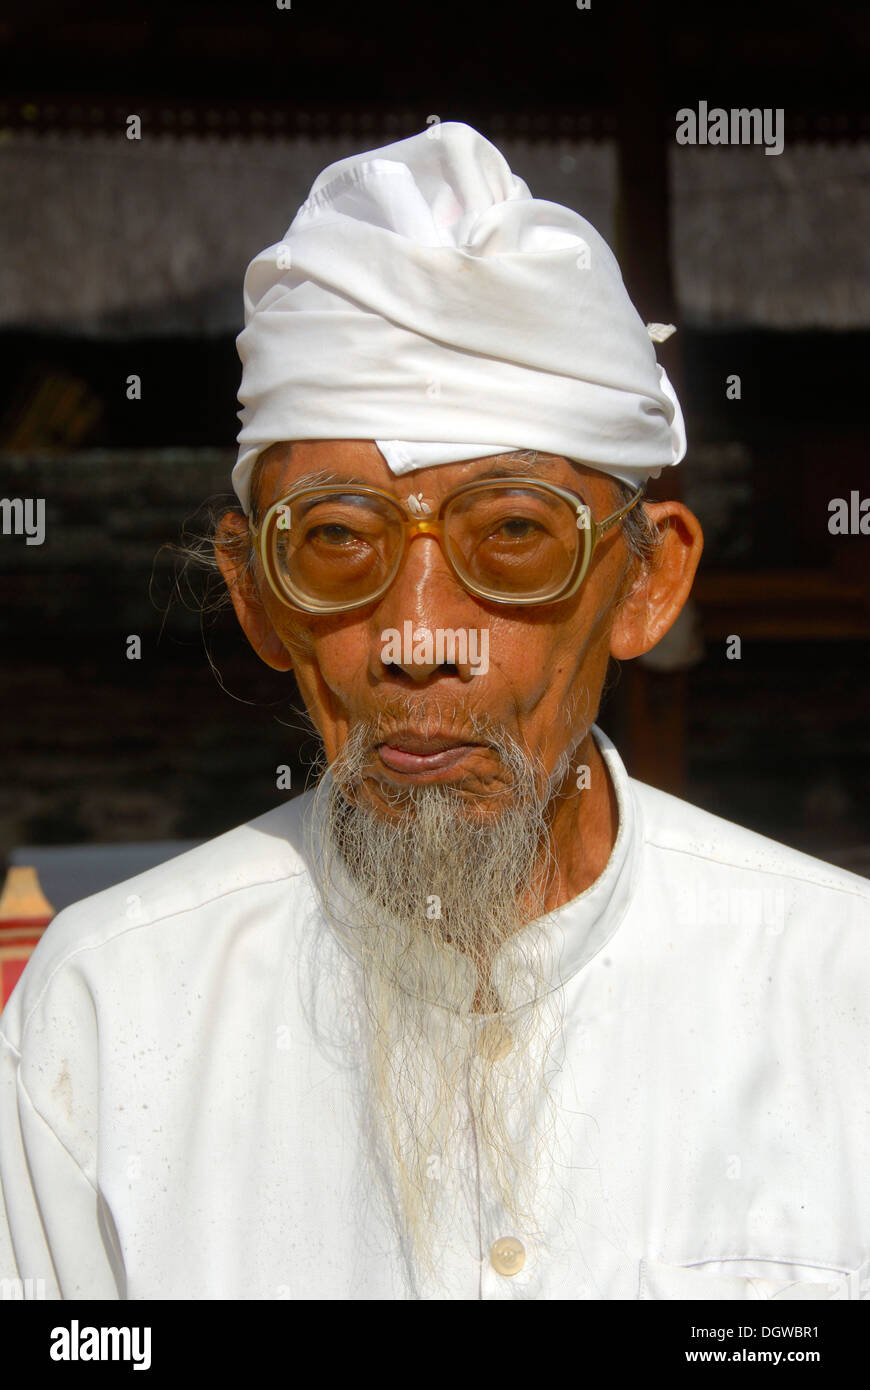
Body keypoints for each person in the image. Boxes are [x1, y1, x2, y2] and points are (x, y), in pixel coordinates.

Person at [1, 123, 868, 1301]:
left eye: (512, 536)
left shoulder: (837, 986)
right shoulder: (105, 1013)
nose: (417, 638)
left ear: (646, 582)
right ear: (259, 597)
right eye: (340, 542)